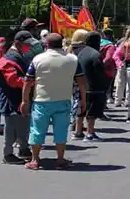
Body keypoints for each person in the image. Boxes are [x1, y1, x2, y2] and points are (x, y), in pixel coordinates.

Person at [21, 33, 86, 170]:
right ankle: (60, 159)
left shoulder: (38, 59)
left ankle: (35, 160)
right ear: (61, 43)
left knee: (37, 130)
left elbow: (27, 82)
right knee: (61, 130)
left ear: (47, 44)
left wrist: (25, 101)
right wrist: (83, 100)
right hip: (63, 100)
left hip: (41, 100)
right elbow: (81, 83)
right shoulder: (73, 59)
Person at [0, 31, 39, 164]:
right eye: (26, 45)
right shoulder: (8, 59)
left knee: (24, 124)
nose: (29, 47)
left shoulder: (21, 55)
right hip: (11, 99)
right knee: (12, 127)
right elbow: (13, 80)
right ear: (17, 43)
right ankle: (8, 154)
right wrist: (31, 82)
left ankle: (24, 149)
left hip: (21, 97)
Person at [72, 30, 108, 142]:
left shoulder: (80, 52)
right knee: (91, 112)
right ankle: (90, 133)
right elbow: (99, 70)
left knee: (81, 110)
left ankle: (78, 132)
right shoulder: (95, 54)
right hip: (93, 87)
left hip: (81, 86)